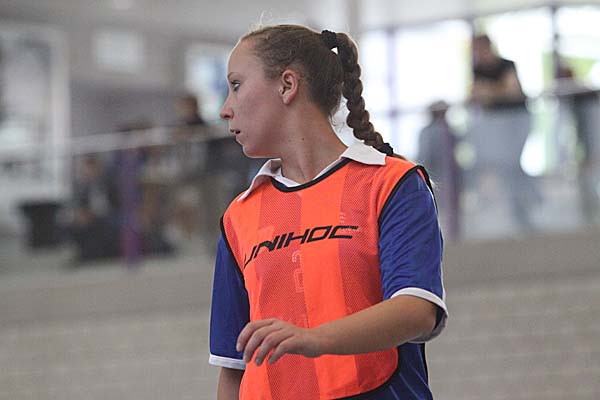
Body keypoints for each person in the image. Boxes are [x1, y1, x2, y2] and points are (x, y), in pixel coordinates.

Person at [209, 25, 447, 400]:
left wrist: (314, 338)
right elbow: (233, 368)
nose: (225, 109)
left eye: (236, 85)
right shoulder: (238, 217)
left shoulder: (392, 183)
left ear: (287, 85)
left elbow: (417, 309)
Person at [468, 34, 539, 231]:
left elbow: (512, 91)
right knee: (508, 165)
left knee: (512, 163)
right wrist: (498, 91)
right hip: (497, 125)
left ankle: (530, 201)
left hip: (517, 120)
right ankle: (525, 205)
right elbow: (477, 95)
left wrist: (490, 92)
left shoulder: (507, 65)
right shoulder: (477, 70)